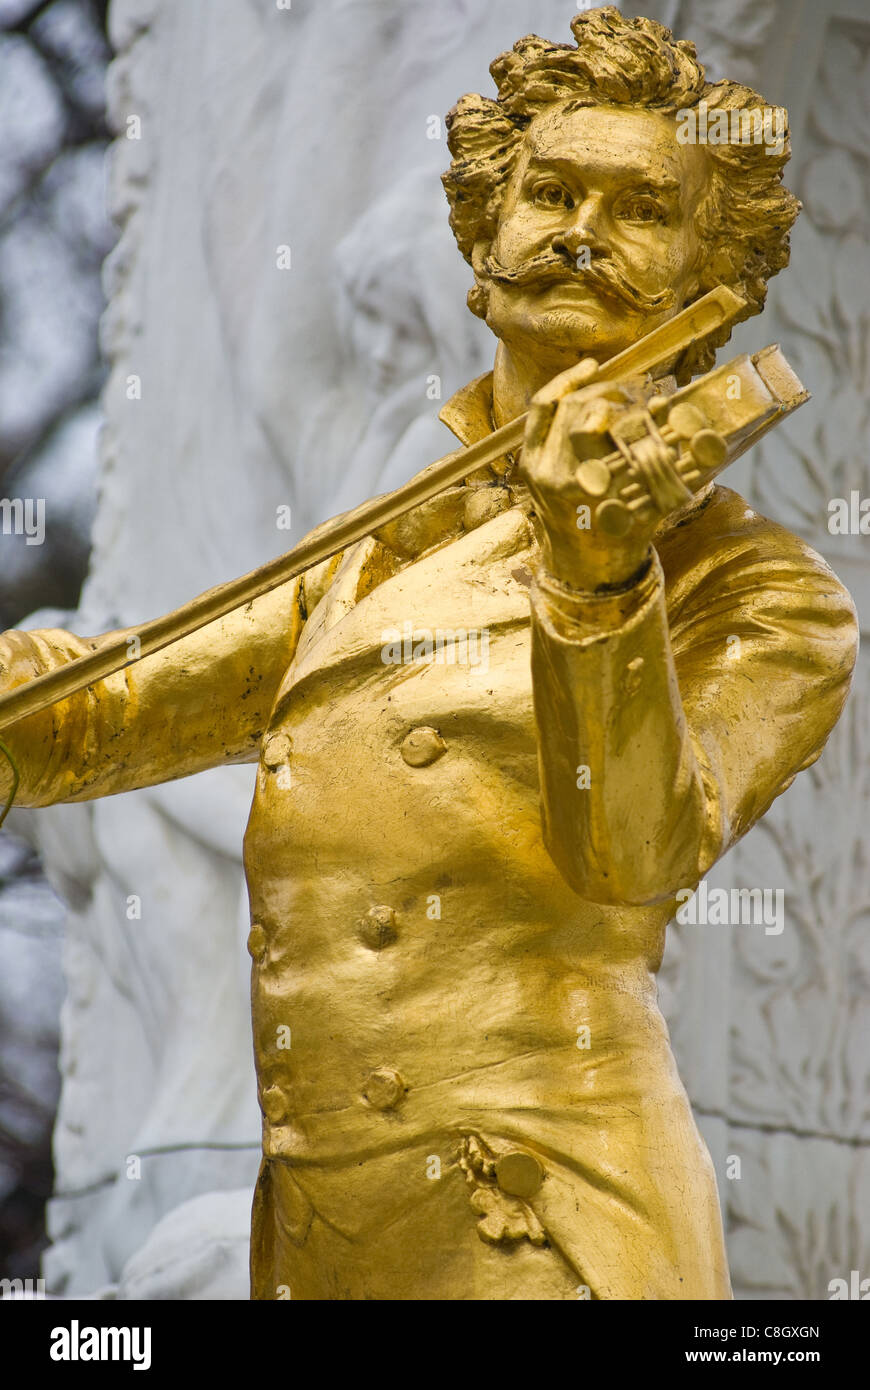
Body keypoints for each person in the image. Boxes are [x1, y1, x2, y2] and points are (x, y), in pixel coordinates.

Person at [0, 9, 857, 1298]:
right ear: (481, 240)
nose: (579, 232)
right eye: (549, 192)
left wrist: (596, 575)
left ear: (708, 274)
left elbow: (635, 849)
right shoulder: (382, 540)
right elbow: (112, 704)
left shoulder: (761, 592)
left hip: (539, 1221)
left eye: (639, 210)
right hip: (333, 1234)